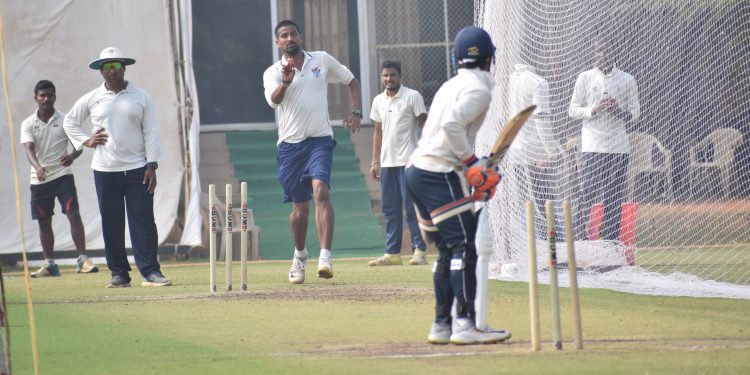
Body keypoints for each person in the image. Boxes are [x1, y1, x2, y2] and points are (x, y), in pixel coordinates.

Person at [404, 26, 511, 345]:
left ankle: (442, 325)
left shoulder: (451, 86)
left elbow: (443, 134)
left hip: (420, 171)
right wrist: (471, 165)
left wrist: (471, 174)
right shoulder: (479, 90)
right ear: (491, 58)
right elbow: (451, 127)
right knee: (464, 247)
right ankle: (464, 325)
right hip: (438, 172)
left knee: (450, 249)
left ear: (456, 58)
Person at [262, 20, 363, 284]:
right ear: (278, 43)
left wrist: (355, 110)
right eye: (283, 36)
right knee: (299, 210)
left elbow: (352, 81)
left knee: (321, 191)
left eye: (293, 33)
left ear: (300, 36)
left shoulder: (321, 60)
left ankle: (325, 256)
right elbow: (273, 101)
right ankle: (300, 254)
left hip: (320, 140)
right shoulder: (272, 72)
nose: (289, 38)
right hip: (290, 147)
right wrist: (285, 83)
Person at [63, 47, 171, 288]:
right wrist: (86, 141)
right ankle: (120, 274)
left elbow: (151, 132)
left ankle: (151, 272)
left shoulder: (141, 96)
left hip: (137, 169)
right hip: (105, 170)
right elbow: (69, 121)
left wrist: (152, 165)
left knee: (142, 221)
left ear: (124, 68)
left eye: (116, 65)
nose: (112, 70)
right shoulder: (93, 97)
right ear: (101, 71)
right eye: (107, 66)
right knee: (112, 222)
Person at [20, 80, 99, 277]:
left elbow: (79, 144)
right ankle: (50, 265)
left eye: (50, 95)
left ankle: (83, 260)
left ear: (55, 96)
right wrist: (37, 167)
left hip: (62, 176)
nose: (46, 99)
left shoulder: (65, 120)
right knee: (44, 221)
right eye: (42, 95)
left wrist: (71, 157)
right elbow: (28, 149)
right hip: (40, 179)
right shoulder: (28, 123)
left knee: (73, 214)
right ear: (36, 98)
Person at [568, 40, 640, 240]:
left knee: (613, 198)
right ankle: (579, 241)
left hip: (618, 147)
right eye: (598, 51)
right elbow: (572, 109)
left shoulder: (627, 79)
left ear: (613, 53)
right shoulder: (585, 77)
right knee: (586, 194)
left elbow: (635, 113)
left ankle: (609, 244)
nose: (601, 55)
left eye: (605, 51)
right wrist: (594, 109)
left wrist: (617, 111)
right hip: (592, 146)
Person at [367, 60, 428, 267]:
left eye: (392, 75)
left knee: (412, 208)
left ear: (400, 76)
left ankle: (419, 250)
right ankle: (392, 253)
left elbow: (424, 126)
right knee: (390, 209)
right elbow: (377, 131)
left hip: (409, 163)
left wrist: (423, 154)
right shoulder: (378, 101)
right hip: (387, 164)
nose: (388, 79)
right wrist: (375, 161)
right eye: (385, 75)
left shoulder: (412, 97)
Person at [507, 64, 563, 235]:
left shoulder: (509, 81)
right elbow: (541, 120)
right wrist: (551, 151)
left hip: (514, 150)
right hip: (535, 152)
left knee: (527, 202)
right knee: (544, 201)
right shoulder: (538, 82)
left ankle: (536, 246)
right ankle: (551, 247)